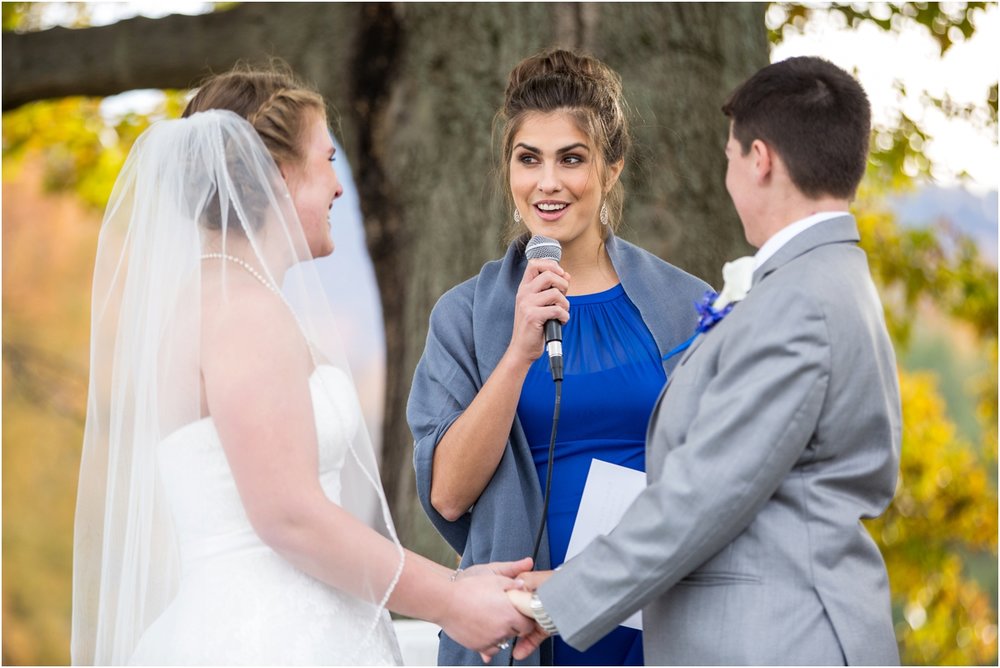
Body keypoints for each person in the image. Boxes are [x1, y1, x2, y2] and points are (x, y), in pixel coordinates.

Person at [70, 65, 536, 666]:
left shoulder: (221, 295)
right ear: (279, 175)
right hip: (267, 638)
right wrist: (451, 600)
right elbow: (289, 515)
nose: (339, 186)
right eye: (327, 159)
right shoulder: (239, 308)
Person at [507, 56, 902, 665]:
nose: (728, 177)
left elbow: (706, 492)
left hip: (779, 640)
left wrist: (561, 597)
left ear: (760, 160)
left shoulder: (797, 302)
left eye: (729, 157)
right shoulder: (828, 278)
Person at [407, 49, 710, 666]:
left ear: (612, 168)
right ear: (508, 169)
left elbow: (720, 478)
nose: (548, 182)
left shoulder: (687, 305)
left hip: (656, 626)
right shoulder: (464, 315)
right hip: (518, 630)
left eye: (571, 158)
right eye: (529, 159)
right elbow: (447, 495)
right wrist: (518, 353)